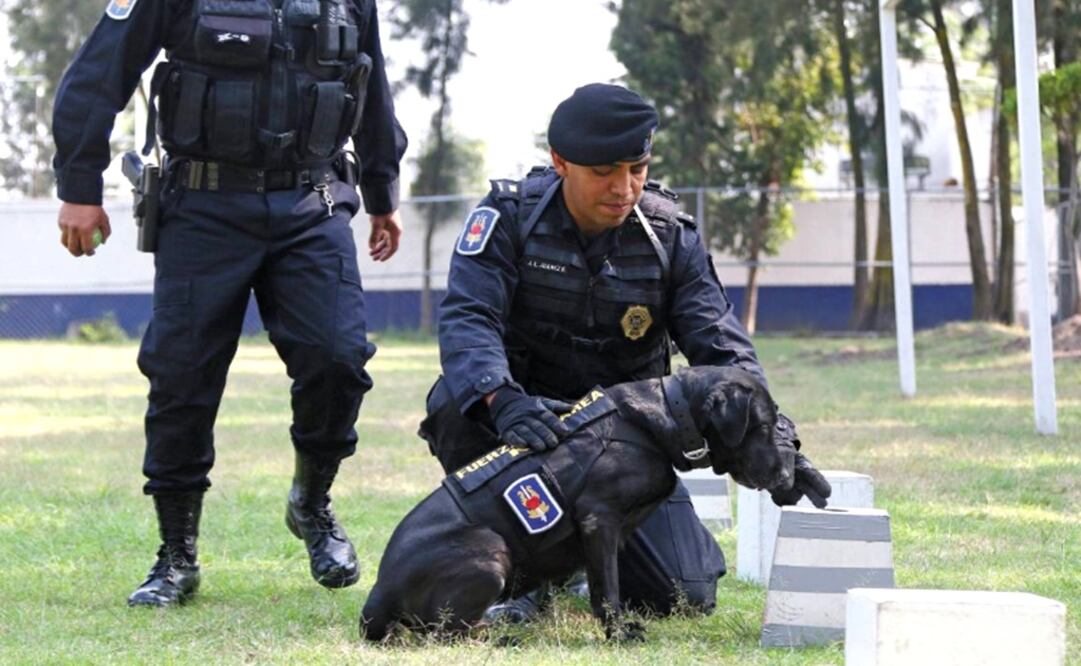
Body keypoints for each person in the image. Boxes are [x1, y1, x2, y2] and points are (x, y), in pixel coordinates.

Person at [52, 0, 406, 607]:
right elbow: (99, 72)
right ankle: (176, 556)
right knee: (181, 376)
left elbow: (369, 87)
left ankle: (311, 503)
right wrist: (79, 185)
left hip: (312, 199)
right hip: (203, 205)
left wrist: (382, 189)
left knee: (339, 358)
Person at [420, 83, 814, 620]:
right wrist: (501, 398)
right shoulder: (509, 218)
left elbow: (724, 352)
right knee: (455, 403)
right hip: (528, 423)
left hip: (628, 442)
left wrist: (779, 437)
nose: (623, 187)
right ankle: (524, 571)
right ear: (560, 162)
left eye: (637, 168)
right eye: (603, 172)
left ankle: (581, 567)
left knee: (685, 593)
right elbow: (469, 318)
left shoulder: (671, 237)